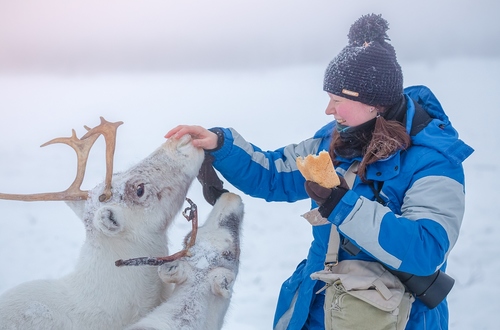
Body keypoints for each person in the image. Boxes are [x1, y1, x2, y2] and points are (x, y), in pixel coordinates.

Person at [165, 14, 473, 330]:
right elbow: (273, 175)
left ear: (373, 104)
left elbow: (427, 247)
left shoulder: (435, 160)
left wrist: (344, 207)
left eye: (337, 100)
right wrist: (221, 145)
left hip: (395, 319)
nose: (329, 109)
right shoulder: (335, 140)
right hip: (316, 310)